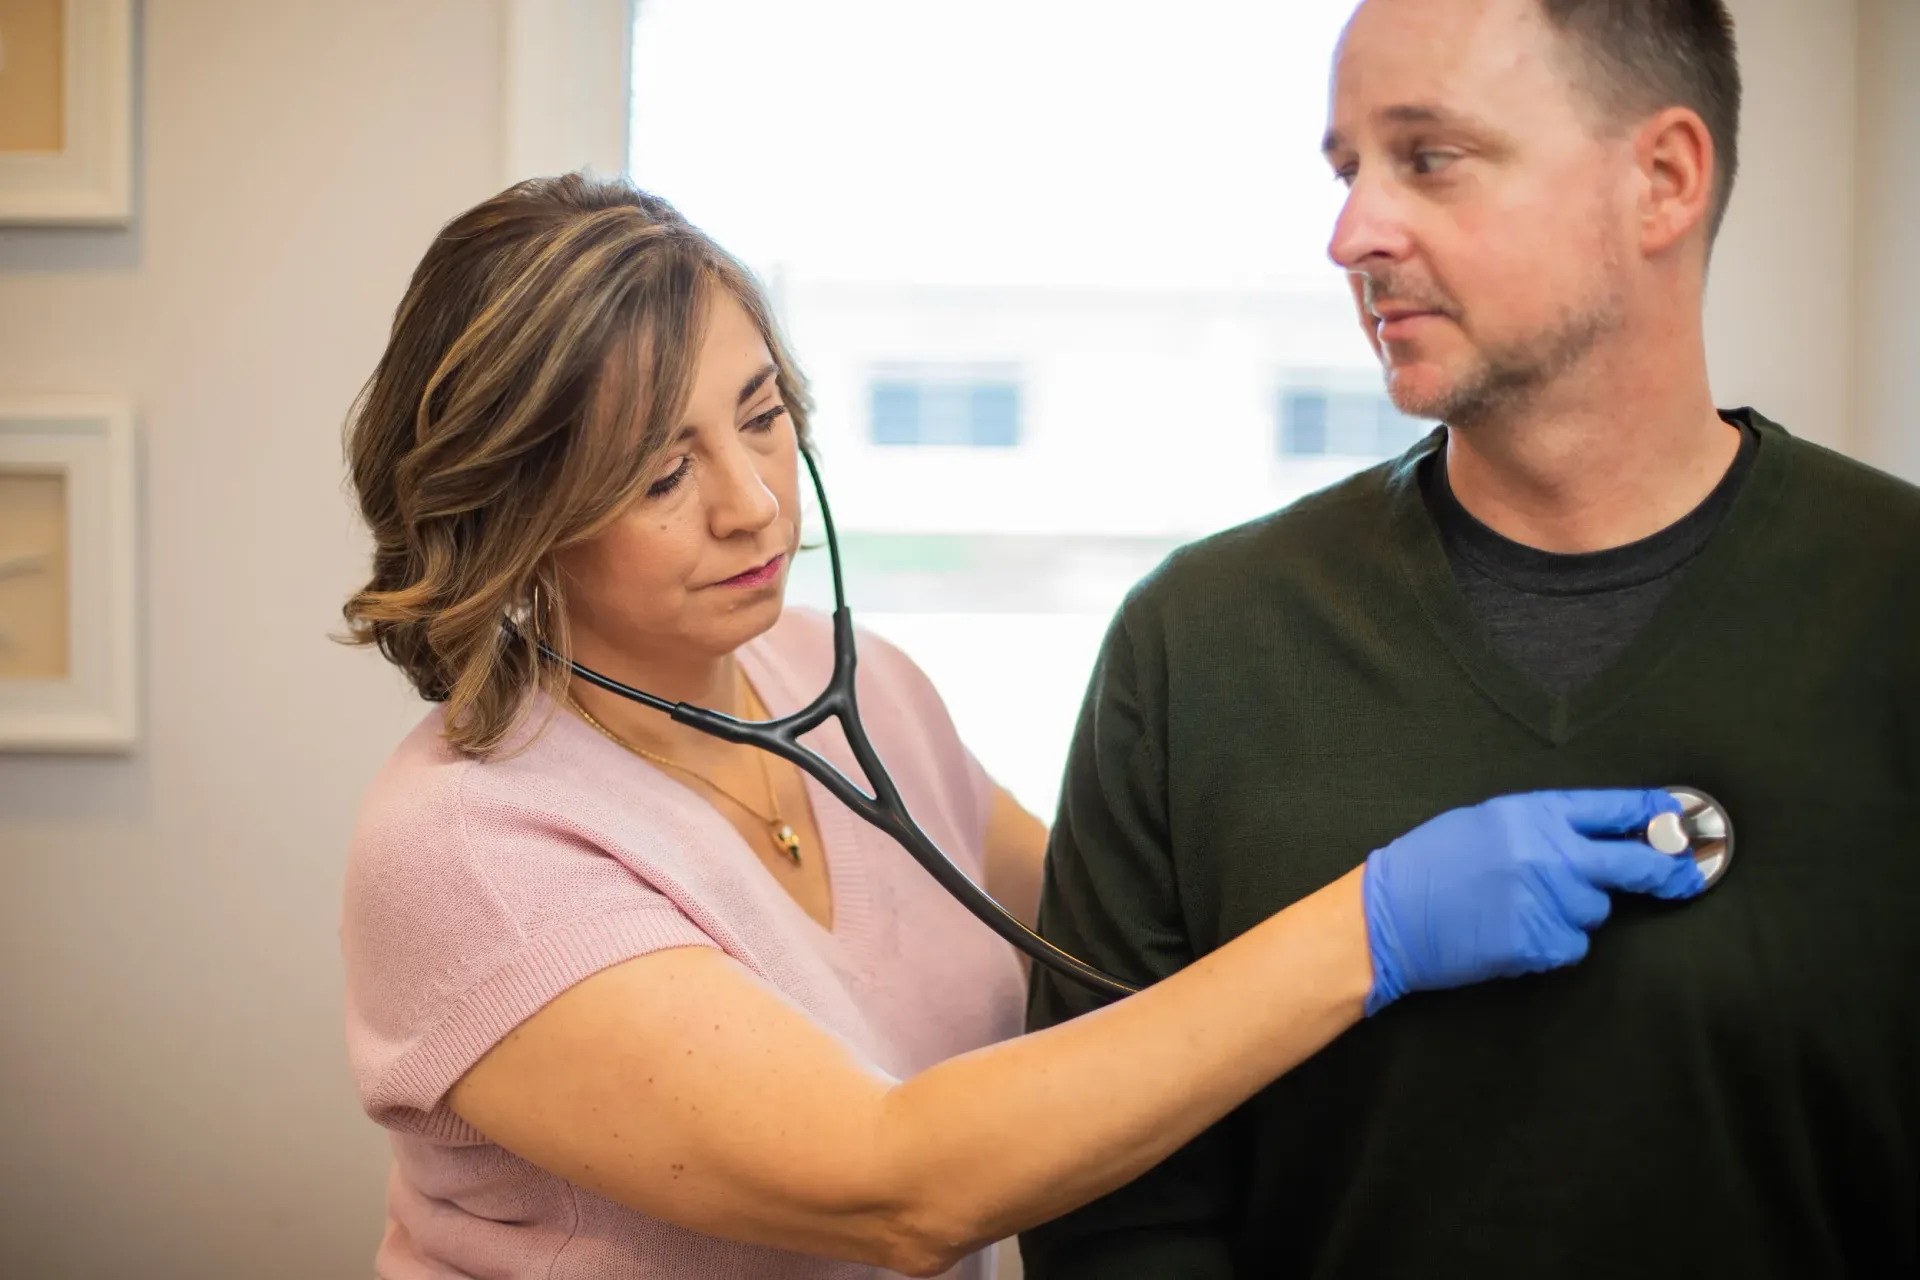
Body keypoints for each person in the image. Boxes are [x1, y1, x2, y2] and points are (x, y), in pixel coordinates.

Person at [335, 173, 1706, 1280]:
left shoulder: (854, 687)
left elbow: (1117, 948)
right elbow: (897, 1184)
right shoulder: (473, 851)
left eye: (762, 419)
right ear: (514, 524)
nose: (753, 503)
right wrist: (1378, 923)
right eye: (658, 473)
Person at [1022, 0, 1920, 1276]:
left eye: (1429, 157)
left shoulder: (1894, 607)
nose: (1352, 235)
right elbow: (1112, 1209)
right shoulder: (1199, 644)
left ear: (1661, 180)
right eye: (1347, 170)